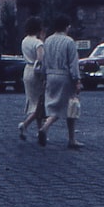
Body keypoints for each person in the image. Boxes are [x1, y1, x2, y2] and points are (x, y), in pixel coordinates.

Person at [37, 15, 83, 149]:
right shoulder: (69, 42)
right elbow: (73, 64)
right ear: (66, 27)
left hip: (51, 75)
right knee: (68, 107)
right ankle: (48, 129)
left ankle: (68, 137)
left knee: (54, 105)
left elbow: (44, 62)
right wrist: (77, 80)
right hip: (64, 77)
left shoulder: (48, 41)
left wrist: (44, 77)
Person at [18, 16, 46, 141]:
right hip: (36, 72)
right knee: (40, 103)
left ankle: (40, 130)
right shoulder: (38, 43)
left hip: (27, 70)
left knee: (33, 101)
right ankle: (25, 125)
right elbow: (40, 60)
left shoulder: (24, 41)